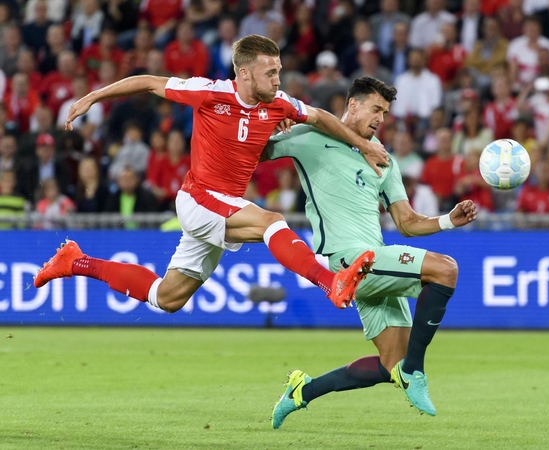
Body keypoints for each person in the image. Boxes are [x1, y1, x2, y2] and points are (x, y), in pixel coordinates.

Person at [33, 34, 389, 315]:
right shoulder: (210, 93)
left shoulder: (278, 103)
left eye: (278, 71)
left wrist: (365, 144)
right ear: (245, 73)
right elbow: (150, 82)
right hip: (199, 198)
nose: (278, 79)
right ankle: (331, 281)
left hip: (225, 205)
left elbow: (320, 117)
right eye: (271, 72)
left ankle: (74, 261)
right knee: (271, 222)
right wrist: (94, 96)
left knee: (167, 297)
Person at [264, 77, 477, 428]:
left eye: (386, 112)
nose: (381, 118)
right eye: (376, 109)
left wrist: (448, 221)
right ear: (353, 105)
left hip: (376, 264)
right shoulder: (309, 137)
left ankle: (301, 391)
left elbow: (407, 221)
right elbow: (258, 151)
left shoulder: (382, 157)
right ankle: (416, 373)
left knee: (390, 363)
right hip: (350, 264)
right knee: (446, 269)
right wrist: (274, 122)